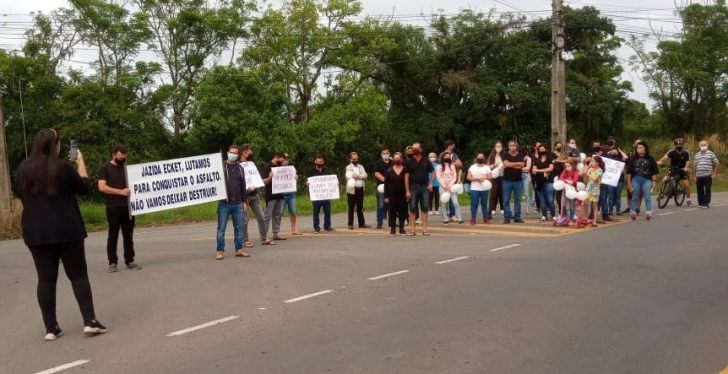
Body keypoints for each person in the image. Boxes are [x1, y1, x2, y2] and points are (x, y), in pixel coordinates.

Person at [17, 129, 106, 341]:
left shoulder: (23, 168)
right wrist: (81, 162)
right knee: (78, 275)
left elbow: (20, 193)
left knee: (46, 279)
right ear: (55, 145)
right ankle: (90, 321)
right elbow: (84, 188)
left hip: (36, 231)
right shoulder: (63, 167)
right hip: (66, 229)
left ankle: (51, 328)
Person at [98, 145, 141, 273]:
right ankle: (112, 262)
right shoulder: (105, 168)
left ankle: (130, 260)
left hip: (128, 207)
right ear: (113, 155)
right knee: (113, 235)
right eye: (119, 157)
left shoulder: (127, 169)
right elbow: (102, 187)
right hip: (113, 207)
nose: (122, 159)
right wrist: (120, 192)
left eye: (124, 157)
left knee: (128, 236)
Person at [216, 145, 250, 260]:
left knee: (239, 228)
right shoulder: (221, 167)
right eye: (231, 152)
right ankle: (220, 251)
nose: (233, 155)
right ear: (227, 153)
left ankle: (239, 249)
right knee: (221, 228)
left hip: (238, 203)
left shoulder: (240, 169)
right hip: (224, 204)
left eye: (235, 153)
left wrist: (244, 201)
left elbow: (243, 186)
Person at [240, 144, 267, 247]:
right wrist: (246, 190)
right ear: (244, 152)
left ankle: (264, 239)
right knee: (245, 220)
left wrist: (258, 188)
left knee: (261, 216)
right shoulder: (239, 165)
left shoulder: (251, 164)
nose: (251, 153)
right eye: (249, 151)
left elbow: (256, 178)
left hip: (255, 195)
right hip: (245, 197)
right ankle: (245, 240)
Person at [405, 142, 435, 235]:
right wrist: (407, 190)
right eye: (413, 149)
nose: (414, 150)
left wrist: (431, 184)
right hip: (413, 187)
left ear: (420, 149)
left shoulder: (426, 161)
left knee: (425, 208)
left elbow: (433, 172)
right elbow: (406, 176)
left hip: (424, 187)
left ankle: (424, 229)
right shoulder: (409, 162)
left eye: (416, 148)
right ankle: (412, 229)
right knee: (413, 208)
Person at [626, 141, 659, 221]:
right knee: (635, 195)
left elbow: (654, 171)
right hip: (636, 178)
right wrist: (629, 183)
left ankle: (649, 212)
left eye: (641, 147)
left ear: (645, 148)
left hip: (647, 179)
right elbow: (629, 172)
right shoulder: (633, 158)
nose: (639, 149)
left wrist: (654, 181)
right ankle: (633, 211)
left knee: (647, 196)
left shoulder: (650, 158)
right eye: (637, 148)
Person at [658, 138, 693, 206]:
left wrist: (686, 167)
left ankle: (688, 199)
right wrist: (660, 161)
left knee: (686, 185)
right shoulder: (672, 151)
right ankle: (661, 194)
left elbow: (688, 161)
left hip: (682, 170)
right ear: (675, 145)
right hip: (672, 169)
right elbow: (665, 157)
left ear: (683, 144)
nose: (679, 146)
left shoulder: (686, 152)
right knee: (664, 180)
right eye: (678, 144)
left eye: (681, 144)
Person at [262, 152, 287, 244]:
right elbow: (264, 182)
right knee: (267, 215)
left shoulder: (280, 167)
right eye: (282, 160)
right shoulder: (267, 167)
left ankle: (276, 233)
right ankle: (263, 234)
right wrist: (269, 177)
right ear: (277, 157)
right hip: (271, 195)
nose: (283, 162)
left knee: (277, 215)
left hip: (280, 194)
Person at [306, 156, 335, 233]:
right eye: (318, 161)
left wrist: (335, 183)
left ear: (323, 162)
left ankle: (327, 226)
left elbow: (331, 181)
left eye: (320, 162)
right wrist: (307, 184)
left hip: (325, 196)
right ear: (315, 162)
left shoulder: (326, 171)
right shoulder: (311, 172)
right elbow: (308, 181)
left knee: (328, 211)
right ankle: (316, 227)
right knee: (316, 212)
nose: (319, 163)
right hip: (316, 196)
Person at [384, 152, 408, 236]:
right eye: (396, 158)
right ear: (393, 159)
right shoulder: (389, 170)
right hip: (392, 194)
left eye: (399, 158)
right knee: (392, 212)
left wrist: (408, 193)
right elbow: (386, 184)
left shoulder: (405, 170)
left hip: (403, 194)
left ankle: (402, 228)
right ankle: (393, 229)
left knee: (402, 211)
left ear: (401, 159)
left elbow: (408, 182)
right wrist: (386, 196)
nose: (397, 160)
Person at [502, 140, 526, 224]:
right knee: (506, 200)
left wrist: (510, 165)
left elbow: (522, 166)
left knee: (518, 200)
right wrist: (517, 164)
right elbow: (506, 164)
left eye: (514, 145)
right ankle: (507, 218)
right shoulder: (505, 154)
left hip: (518, 181)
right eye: (510, 145)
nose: (512, 146)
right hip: (507, 181)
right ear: (508, 146)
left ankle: (517, 217)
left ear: (516, 146)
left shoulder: (520, 155)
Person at [604, 137, 629, 216]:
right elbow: (603, 157)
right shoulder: (608, 158)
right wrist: (610, 151)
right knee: (610, 195)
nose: (615, 151)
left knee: (618, 196)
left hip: (619, 180)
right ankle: (610, 210)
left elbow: (626, 157)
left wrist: (620, 150)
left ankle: (618, 210)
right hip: (611, 180)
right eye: (613, 150)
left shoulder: (620, 159)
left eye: (616, 150)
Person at [436, 152, 463, 224]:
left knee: (456, 203)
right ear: (442, 157)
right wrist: (445, 186)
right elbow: (439, 177)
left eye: (448, 156)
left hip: (452, 187)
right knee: (444, 203)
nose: (447, 157)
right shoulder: (439, 166)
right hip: (443, 187)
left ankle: (460, 218)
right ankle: (445, 219)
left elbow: (454, 176)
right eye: (446, 156)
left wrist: (450, 185)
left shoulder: (452, 166)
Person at [345, 152, 370, 229]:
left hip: (360, 189)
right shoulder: (348, 167)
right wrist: (359, 176)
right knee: (351, 207)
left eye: (356, 159)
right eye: (354, 159)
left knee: (360, 207)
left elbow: (365, 175)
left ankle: (361, 223)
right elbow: (350, 175)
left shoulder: (360, 166)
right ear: (350, 159)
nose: (355, 160)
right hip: (352, 191)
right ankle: (350, 224)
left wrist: (358, 176)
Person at [532, 144, 556, 222]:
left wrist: (539, 170)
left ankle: (553, 215)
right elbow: (533, 170)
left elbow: (551, 168)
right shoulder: (536, 159)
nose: (542, 151)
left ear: (546, 149)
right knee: (542, 200)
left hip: (549, 181)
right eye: (540, 149)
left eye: (543, 149)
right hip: (539, 182)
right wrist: (544, 171)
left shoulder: (550, 158)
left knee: (550, 200)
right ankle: (544, 215)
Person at [694, 140, 720, 209]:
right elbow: (695, 165)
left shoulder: (711, 154)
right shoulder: (697, 155)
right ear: (699, 146)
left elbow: (717, 163)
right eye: (702, 145)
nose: (703, 146)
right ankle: (701, 203)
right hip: (699, 175)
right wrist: (694, 175)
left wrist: (714, 173)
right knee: (700, 190)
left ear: (707, 145)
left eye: (704, 145)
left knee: (707, 189)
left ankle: (706, 203)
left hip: (708, 175)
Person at [467, 153, 492, 225]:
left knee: (484, 204)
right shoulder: (472, 167)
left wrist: (484, 178)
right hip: (474, 188)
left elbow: (490, 177)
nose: (480, 158)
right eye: (479, 157)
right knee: (474, 204)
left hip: (484, 188)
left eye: (481, 157)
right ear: (476, 158)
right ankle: (473, 218)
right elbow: (468, 177)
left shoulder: (487, 167)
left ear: (484, 159)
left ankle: (486, 218)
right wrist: (477, 179)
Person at [281, 153, 301, 235]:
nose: (286, 159)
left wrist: (296, 177)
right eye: (285, 157)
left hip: (291, 194)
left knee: (293, 212)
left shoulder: (292, 168)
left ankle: (293, 228)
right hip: (281, 195)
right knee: (279, 213)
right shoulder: (277, 168)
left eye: (287, 158)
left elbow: (294, 178)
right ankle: (277, 230)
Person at [373, 148, 392, 229]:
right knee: (381, 205)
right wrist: (386, 181)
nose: (385, 154)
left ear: (389, 153)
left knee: (392, 205)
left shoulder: (393, 163)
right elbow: (376, 174)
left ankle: (392, 222)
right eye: (383, 153)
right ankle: (379, 222)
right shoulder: (378, 163)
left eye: (386, 153)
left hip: (392, 187)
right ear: (381, 154)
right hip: (381, 187)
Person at [585, 156, 605, 227]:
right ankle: (587, 218)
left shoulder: (600, 170)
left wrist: (587, 173)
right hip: (589, 187)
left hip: (595, 189)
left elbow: (594, 179)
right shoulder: (591, 169)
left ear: (597, 163)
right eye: (591, 161)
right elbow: (587, 178)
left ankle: (594, 220)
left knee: (594, 205)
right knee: (586, 203)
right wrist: (587, 169)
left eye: (593, 161)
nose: (591, 163)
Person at [487, 141, 505, 217]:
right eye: (497, 146)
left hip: (503, 176)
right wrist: (494, 165)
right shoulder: (491, 156)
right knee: (493, 192)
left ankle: (503, 208)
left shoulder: (504, 155)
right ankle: (491, 209)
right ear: (494, 147)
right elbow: (488, 166)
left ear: (502, 147)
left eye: (500, 146)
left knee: (502, 192)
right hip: (494, 176)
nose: (498, 148)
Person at [522, 148, 534, 215]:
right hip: (519, 175)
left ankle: (527, 207)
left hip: (526, 175)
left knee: (526, 192)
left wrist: (519, 168)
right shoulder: (519, 158)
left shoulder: (528, 159)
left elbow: (528, 168)